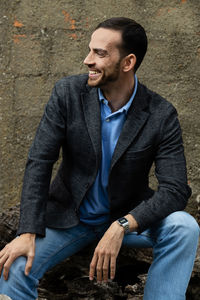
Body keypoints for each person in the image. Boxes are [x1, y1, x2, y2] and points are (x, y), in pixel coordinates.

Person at [0, 17, 199, 300]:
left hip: (127, 218)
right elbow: (39, 161)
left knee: (184, 227)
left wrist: (123, 225)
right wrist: (27, 231)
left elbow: (176, 189)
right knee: (14, 267)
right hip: (71, 217)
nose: (87, 60)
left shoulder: (160, 114)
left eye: (100, 53)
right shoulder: (67, 94)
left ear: (127, 63)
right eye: (90, 50)